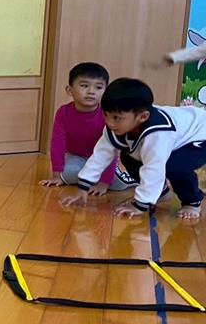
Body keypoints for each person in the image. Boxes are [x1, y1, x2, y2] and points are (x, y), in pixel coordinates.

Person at [60, 78, 206, 221]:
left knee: (173, 165)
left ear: (142, 117)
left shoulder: (158, 134)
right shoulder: (115, 126)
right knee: (128, 156)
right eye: (106, 115)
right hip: (178, 138)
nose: (110, 123)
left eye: (117, 118)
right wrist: (83, 187)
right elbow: (100, 155)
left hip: (200, 136)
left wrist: (140, 205)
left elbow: (154, 168)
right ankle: (161, 192)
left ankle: (192, 201)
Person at [40, 62, 136, 192]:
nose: (91, 92)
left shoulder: (108, 115)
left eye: (98, 87)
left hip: (102, 158)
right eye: (84, 86)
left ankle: (131, 178)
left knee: (117, 185)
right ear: (70, 90)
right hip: (76, 157)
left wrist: (104, 183)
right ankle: (89, 176)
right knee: (68, 173)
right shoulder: (63, 113)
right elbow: (57, 143)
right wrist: (56, 175)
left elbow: (111, 150)